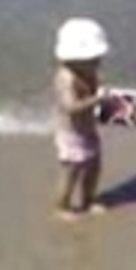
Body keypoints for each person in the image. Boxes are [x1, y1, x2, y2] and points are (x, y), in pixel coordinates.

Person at [52, 17, 113, 221]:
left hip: (88, 130)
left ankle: (88, 200)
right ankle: (61, 207)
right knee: (71, 171)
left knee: (94, 167)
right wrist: (97, 99)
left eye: (98, 59)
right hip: (71, 135)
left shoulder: (88, 73)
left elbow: (93, 96)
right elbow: (70, 107)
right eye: (93, 60)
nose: (98, 63)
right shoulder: (65, 78)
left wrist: (107, 101)